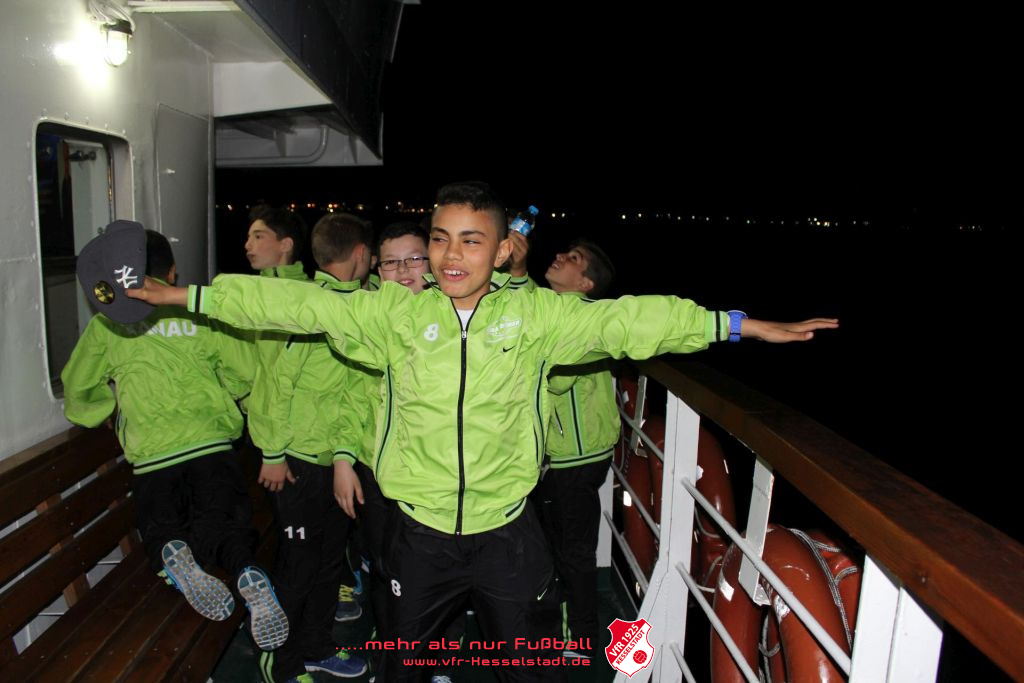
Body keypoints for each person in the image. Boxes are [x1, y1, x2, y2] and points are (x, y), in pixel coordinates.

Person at [126, 181, 837, 682]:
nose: (451, 255)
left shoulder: (535, 318)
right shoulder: (396, 317)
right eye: (440, 239)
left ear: (501, 251)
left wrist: (739, 325)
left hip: (507, 533)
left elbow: (631, 320)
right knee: (403, 666)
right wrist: (187, 295)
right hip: (418, 533)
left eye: (472, 240)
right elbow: (294, 305)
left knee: (525, 667)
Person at [62, 229, 289, 651]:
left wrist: (101, 409)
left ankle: (172, 548)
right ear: (171, 273)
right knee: (227, 525)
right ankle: (244, 569)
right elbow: (244, 372)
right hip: (212, 447)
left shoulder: (107, 324)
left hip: (153, 455)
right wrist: (226, 395)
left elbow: (77, 389)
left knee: (161, 525)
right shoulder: (199, 313)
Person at [253, 213, 372, 682]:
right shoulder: (306, 307)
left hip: (334, 462)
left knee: (328, 564)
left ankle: (316, 648)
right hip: (296, 462)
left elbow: (352, 390)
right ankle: (279, 663)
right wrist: (272, 453)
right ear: (360, 254)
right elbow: (275, 383)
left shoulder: (357, 308)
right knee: (298, 568)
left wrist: (344, 455)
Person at [533, 238, 619, 659]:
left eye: (573, 259)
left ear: (585, 283)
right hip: (578, 453)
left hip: (574, 456)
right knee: (566, 546)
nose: (559, 257)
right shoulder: (564, 311)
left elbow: (556, 377)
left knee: (571, 551)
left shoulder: (574, 317)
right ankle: (575, 631)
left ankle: (579, 639)